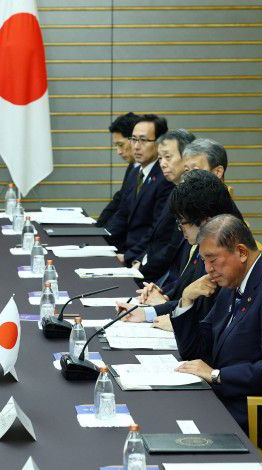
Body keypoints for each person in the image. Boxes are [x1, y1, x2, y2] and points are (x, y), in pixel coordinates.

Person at [173, 215, 262, 456]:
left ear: (242, 252)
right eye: (204, 261)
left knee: (179, 428)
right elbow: (196, 350)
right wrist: (186, 301)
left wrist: (216, 375)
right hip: (233, 394)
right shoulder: (234, 281)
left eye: (213, 260)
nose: (208, 270)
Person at [117, 170, 241, 331]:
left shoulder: (227, 256)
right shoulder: (207, 242)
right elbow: (191, 295)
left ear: (206, 222)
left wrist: (179, 323)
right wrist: (145, 313)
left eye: (182, 223)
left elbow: (214, 320)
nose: (180, 229)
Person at [106, 114, 174, 264]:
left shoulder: (165, 178)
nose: (136, 146)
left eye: (143, 140)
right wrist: (101, 240)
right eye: (133, 139)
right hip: (125, 250)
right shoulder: (135, 172)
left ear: (160, 143)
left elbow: (156, 230)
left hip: (141, 258)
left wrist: (128, 257)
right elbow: (122, 214)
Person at [129, 129, 196, 282]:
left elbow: (171, 248)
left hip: (167, 278)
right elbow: (155, 236)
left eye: (168, 157)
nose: (163, 164)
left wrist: (141, 272)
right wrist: (139, 260)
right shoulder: (175, 190)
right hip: (150, 269)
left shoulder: (189, 198)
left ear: (187, 158)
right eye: (160, 158)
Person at [97, 112, 140, 228]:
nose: (118, 152)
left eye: (121, 145)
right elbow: (119, 199)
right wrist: (98, 227)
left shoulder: (159, 173)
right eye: (116, 145)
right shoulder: (133, 167)